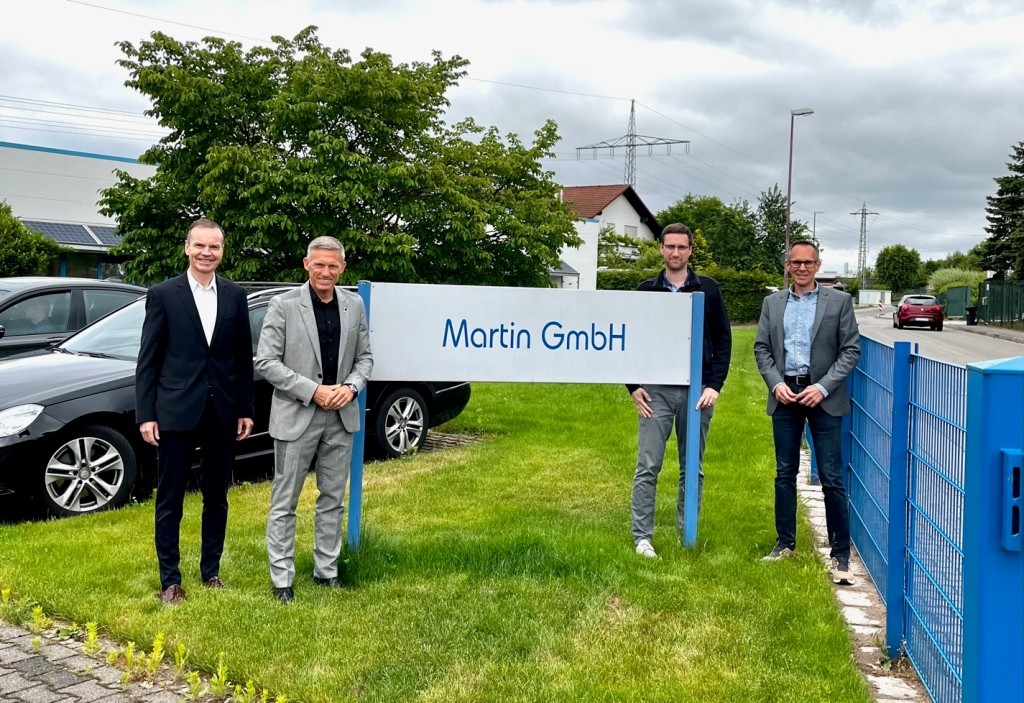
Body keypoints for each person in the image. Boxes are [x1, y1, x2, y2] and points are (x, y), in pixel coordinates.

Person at [136, 218, 254, 605]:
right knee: (170, 498)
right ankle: (170, 581)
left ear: (222, 251)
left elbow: (242, 357)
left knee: (216, 496)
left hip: (222, 410)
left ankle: (211, 573)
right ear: (187, 248)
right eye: (199, 245)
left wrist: (245, 408)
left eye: (214, 247)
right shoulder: (163, 295)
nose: (206, 253)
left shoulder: (235, 295)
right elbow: (148, 360)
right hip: (175, 410)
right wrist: (146, 414)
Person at [254, 236, 373, 603]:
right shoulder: (284, 305)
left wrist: (351, 388)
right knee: (285, 500)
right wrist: (313, 391)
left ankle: (327, 572)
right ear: (306, 265)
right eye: (319, 264)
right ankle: (282, 580)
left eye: (332, 266)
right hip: (296, 414)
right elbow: (265, 362)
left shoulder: (354, 305)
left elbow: (365, 358)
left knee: (333, 499)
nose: (325, 271)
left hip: (341, 416)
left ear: (343, 268)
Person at [753, 241, 860, 585]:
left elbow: (850, 350)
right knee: (785, 473)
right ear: (787, 265)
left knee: (832, 477)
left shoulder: (839, 302)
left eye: (808, 262)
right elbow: (762, 348)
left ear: (818, 265)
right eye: (795, 262)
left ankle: (840, 556)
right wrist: (775, 383)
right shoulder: (772, 303)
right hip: (785, 395)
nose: (801, 268)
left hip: (823, 397)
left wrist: (823, 387)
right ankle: (785, 544)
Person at [626, 223, 732, 559]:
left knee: (692, 467)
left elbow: (723, 340)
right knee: (648, 465)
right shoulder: (646, 290)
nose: (675, 252)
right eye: (670, 246)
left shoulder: (708, 289)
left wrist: (715, 385)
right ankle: (642, 538)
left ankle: (688, 535)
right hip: (655, 391)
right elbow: (630, 340)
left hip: (697, 390)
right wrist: (633, 386)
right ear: (661, 248)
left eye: (681, 247)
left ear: (690, 251)